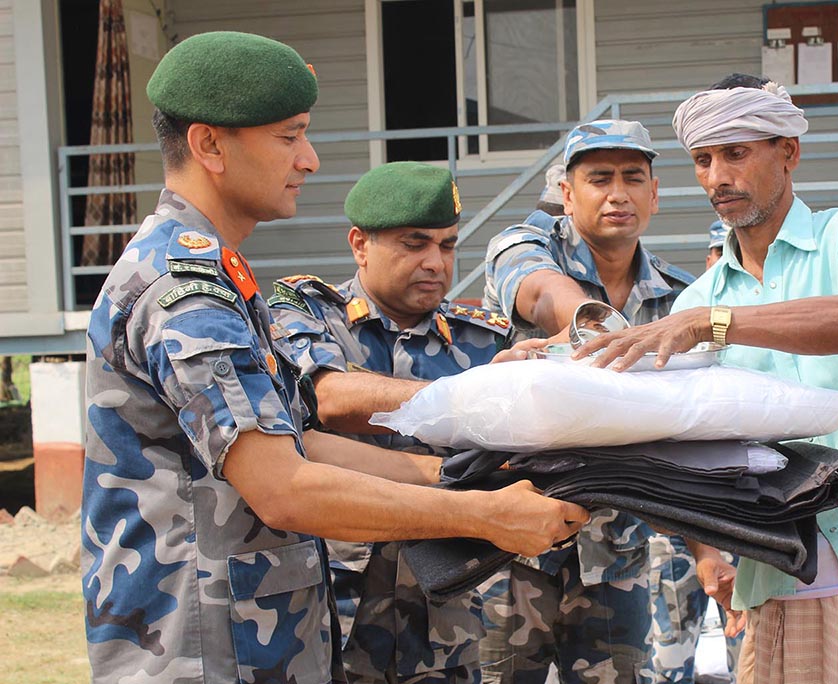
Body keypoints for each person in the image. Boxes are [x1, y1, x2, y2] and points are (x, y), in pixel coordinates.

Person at [81, 31, 588, 684]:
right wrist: (486, 515)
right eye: (289, 137)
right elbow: (285, 490)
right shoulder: (184, 291)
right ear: (209, 144)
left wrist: (450, 479)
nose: (310, 160)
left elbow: (304, 446)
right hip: (201, 654)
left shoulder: (216, 278)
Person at [574, 74, 838, 684]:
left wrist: (717, 324)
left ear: (789, 152)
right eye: (703, 160)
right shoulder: (697, 302)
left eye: (736, 153)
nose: (717, 177)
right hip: (775, 581)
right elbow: (681, 440)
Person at [269, 162, 514, 684]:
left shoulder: (483, 341)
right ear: (360, 244)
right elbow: (327, 397)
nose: (435, 262)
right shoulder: (306, 314)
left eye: (447, 246)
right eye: (414, 243)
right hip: (335, 608)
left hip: (446, 613)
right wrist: (472, 396)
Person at [479, 119, 694, 684]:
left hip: (616, 551)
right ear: (568, 195)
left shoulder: (678, 298)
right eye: (599, 179)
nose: (618, 193)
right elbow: (542, 288)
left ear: (655, 194)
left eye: (632, 178)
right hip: (513, 544)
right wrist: (587, 324)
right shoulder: (524, 246)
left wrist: (711, 551)